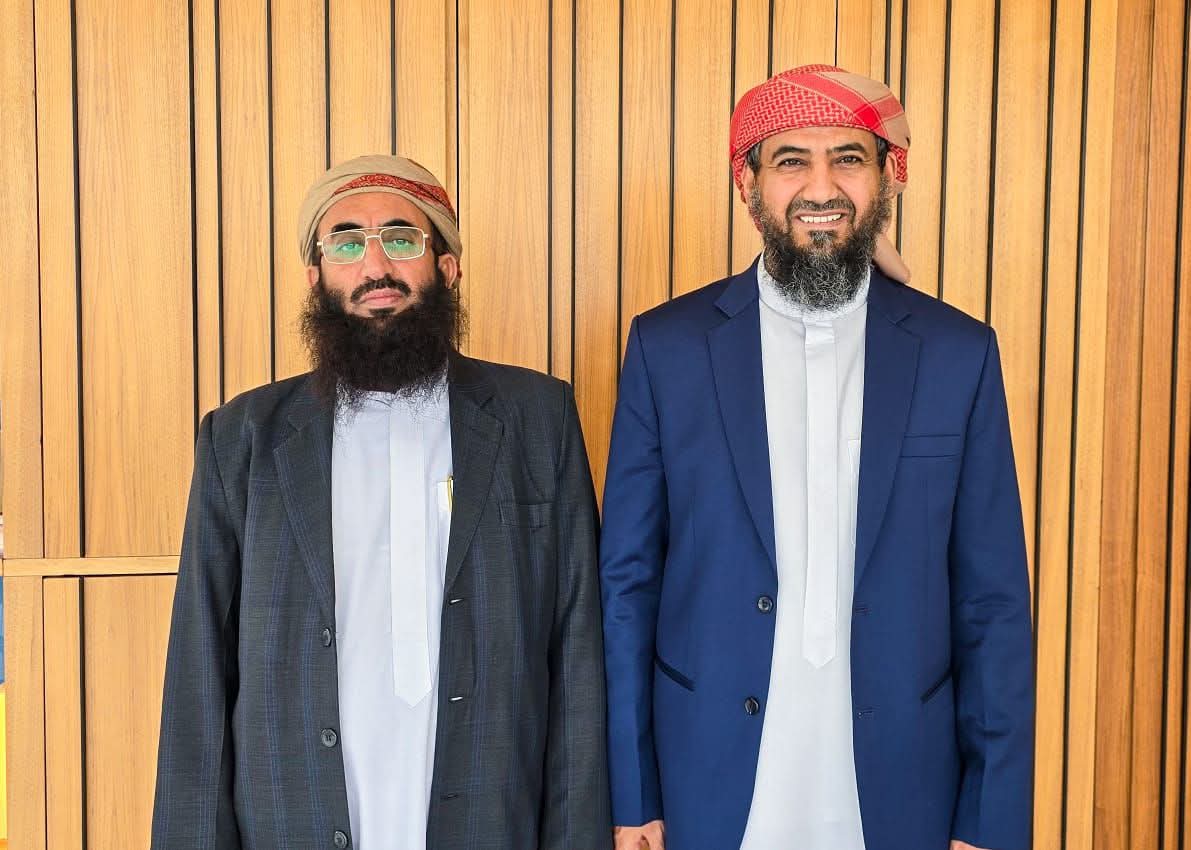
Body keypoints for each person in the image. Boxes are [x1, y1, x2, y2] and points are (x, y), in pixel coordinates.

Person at [600, 65, 1033, 850]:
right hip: (710, 775)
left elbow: (991, 604)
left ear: (886, 178)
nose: (821, 187)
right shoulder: (666, 348)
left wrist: (989, 818)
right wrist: (632, 797)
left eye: (848, 158)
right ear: (748, 183)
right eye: (791, 160)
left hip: (900, 781)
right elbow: (627, 586)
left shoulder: (956, 353)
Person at [152, 154, 611, 850]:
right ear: (316, 278)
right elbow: (199, 673)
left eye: (401, 239)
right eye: (345, 244)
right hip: (293, 824)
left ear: (447, 267)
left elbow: (576, 650)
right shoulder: (244, 437)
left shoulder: (535, 417)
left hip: (491, 821)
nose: (375, 266)